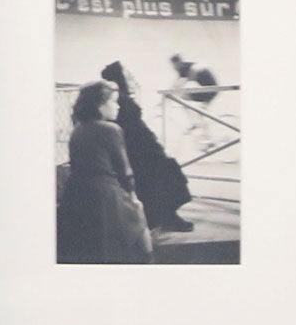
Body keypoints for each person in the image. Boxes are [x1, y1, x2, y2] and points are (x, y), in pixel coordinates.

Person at [55, 81, 153, 264]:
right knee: (138, 218)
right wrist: (133, 197)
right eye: (114, 101)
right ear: (100, 105)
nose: (117, 106)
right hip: (105, 196)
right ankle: (148, 262)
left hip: (76, 194)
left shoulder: (77, 129)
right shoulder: (111, 130)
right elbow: (125, 172)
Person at [98, 61, 193, 231]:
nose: (131, 78)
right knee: (166, 172)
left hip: (141, 150)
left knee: (164, 171)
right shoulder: (121, 100)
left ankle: (162, 217)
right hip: (140, 152)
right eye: (127, 75)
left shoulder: (120, 98)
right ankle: (166, 216)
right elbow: (130, 131)